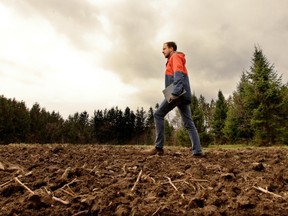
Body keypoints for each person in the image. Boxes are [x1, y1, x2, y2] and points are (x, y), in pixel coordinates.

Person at [144, 41, 203, 156]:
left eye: (164, 48)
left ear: (171, 49)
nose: (162, 51)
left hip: (177, 92)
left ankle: (159, 147)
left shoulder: (175, 57)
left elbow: (179, 74)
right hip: (182, 92)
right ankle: (197, 151)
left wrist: (175, 92)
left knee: (158, 114)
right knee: (189, 123)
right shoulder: (173, 59)